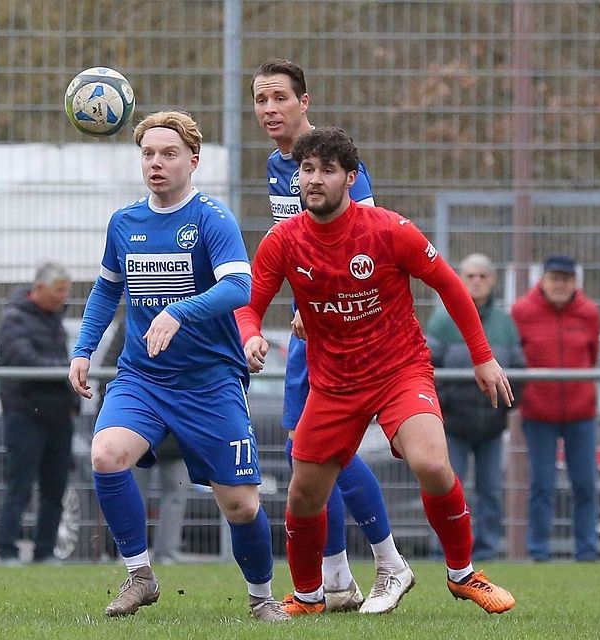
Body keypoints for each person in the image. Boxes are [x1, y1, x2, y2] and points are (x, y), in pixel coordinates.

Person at [236, 126, 516, 616]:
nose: (314, 180)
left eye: (327, 170)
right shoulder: (283, 240)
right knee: (304, 495)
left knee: (431, 463)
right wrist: (252, 335)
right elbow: (249, 305)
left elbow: (450, 286)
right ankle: (309, 597)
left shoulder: (388, 230)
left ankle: (463, 574)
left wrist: (482, 355)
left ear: (350, 179)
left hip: (399, 373)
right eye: (307, 170)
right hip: (334, 384)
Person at [69, 111, 288, 622]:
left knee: (241, 506)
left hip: (210, 383)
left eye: (168, 154)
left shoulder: (213, 219)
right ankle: (140, 575)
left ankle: (261, 598)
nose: (157, 163)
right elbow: (106, 290)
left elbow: (240, 287)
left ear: (193, 160)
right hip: (142, 378)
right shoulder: (124, 223)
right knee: (105, 454)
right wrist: (82, 350)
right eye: (148, 154)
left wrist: (177, 310)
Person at [252, 58, 412, 614]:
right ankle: (338, 578)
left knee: (322, 450)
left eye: (280, 99)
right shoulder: (279, 166)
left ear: (305, 102)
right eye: (261, 100)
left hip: (344, 335)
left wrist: (315, 306)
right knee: (307, 452)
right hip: (310, 331)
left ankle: (390, 562)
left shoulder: (340, 166)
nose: (270, 110)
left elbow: (363, 249)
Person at [426, 253, 525, 561]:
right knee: (446, 488)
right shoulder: (443, 322)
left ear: (493, 281)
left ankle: (486, 550)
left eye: (483, 275)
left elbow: (519, 369)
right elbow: (427, 367)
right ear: (460, 279)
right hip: (454, 423)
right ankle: (443, 551)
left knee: (491, 491)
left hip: (491, 426)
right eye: (470, 275)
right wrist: (445, 406)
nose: (476, 281)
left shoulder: (505, 324)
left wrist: (507, 406)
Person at [511, 254, 600, 562]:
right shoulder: (522, 311)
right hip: (538, 413)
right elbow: (516, 355)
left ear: (575, 282)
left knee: (586, 484)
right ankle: (539, 551)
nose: (560, 285)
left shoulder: (588, 312)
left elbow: (593, 354)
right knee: (542, 484)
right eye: (555, 278)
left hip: (581, 413)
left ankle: (587, 551)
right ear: (544, 280)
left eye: (566, 279)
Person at [0, 262, 77, 565]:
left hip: (58, 417)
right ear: (39, 289)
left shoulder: (56, 321)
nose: (64, 297)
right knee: (20, 485)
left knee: (55, 488)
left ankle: (44, 551)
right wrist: (63, 371)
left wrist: (72, 404)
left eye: (66, 291)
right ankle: (7, 550)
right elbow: (22, 360)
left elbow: (65, 359)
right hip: (25, 415)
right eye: (59, 291)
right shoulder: (14, 320)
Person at [145, 436, 190, 564]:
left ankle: (167, 554)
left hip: (176, 445)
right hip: (136, 439)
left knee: (175, 498)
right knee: (132, 496)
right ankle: (133, 554)